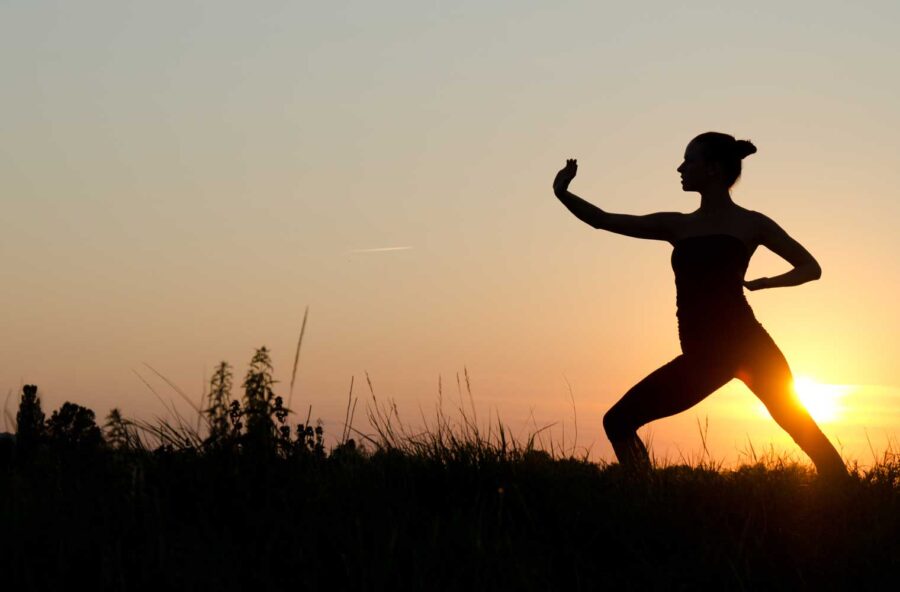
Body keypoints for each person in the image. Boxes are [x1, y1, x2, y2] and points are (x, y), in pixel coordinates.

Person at [552, 131, 847, 478]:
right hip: (703, 356)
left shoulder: (751, 223)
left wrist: (768, 282)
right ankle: (648, 501)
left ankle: (847, 500)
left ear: (713, 169)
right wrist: (562, 193)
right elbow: (604, 220)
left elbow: (811, 267)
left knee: (804, 432)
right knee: (618, 422)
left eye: (689, 160)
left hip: (749, 347)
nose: (680, 168)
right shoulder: (677, 224)